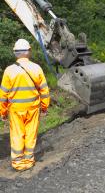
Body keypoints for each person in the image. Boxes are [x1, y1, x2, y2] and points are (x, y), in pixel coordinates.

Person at [0, 39, 50, 171]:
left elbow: (3, 95)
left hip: (15, 110)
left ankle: (18, 163)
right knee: (30, 134)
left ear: (15, 53)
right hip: (33, 109)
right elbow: (44, 91)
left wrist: (3, 112)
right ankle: (28, 160)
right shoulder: (36, 68)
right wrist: (44, 108)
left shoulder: (9, 71)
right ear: (29, 52)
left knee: (17, 135)